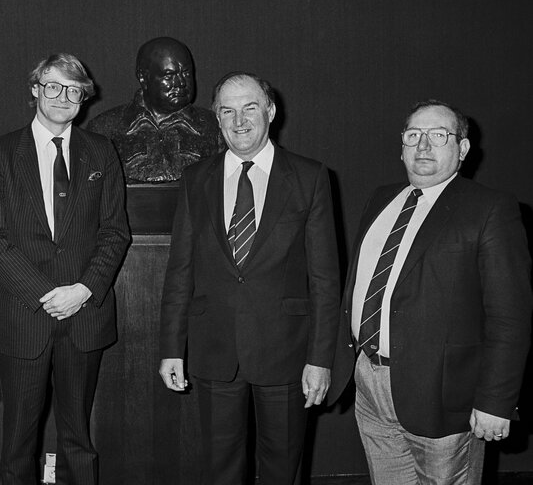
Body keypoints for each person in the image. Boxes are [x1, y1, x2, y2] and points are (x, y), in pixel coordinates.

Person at [328, 100, 532, 484]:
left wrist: (495, 401)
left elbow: (510, 316)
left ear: (463, 149)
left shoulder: (490, 209)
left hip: (443, 394)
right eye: (413, 135)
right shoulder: (381, 199)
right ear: (401, 146)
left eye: (439, 135)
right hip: (370, 381)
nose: (423, 146)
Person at [158, 71, 340, 484]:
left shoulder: (310, 178)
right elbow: (179, 271)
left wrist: (320, 358)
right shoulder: (195, 180)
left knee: (282, 469)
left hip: (288, 354)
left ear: (271, 111)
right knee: (220, 470)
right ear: (216, 118)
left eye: (250, 108)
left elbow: (326, 279)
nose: (239, 120)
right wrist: (171, 347)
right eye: (227, 110)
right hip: (213, 350)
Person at [0, 53, 130, 485]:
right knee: (18, 442)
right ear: (34, 90)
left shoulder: (102, 151)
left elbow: (115, 232)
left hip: (85, 314)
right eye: (52, 86)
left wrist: (82, 290)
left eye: (73, 89)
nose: (62, 97)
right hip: (25, 317)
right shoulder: (0, 152)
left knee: (79, 437)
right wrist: (47, 295)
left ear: (84, 96)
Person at [87, 36, 222, 183]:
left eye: (186, 73)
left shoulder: (215, 126)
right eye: (169, 75)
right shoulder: (103, 130)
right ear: (143, 77)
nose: (181, 82)